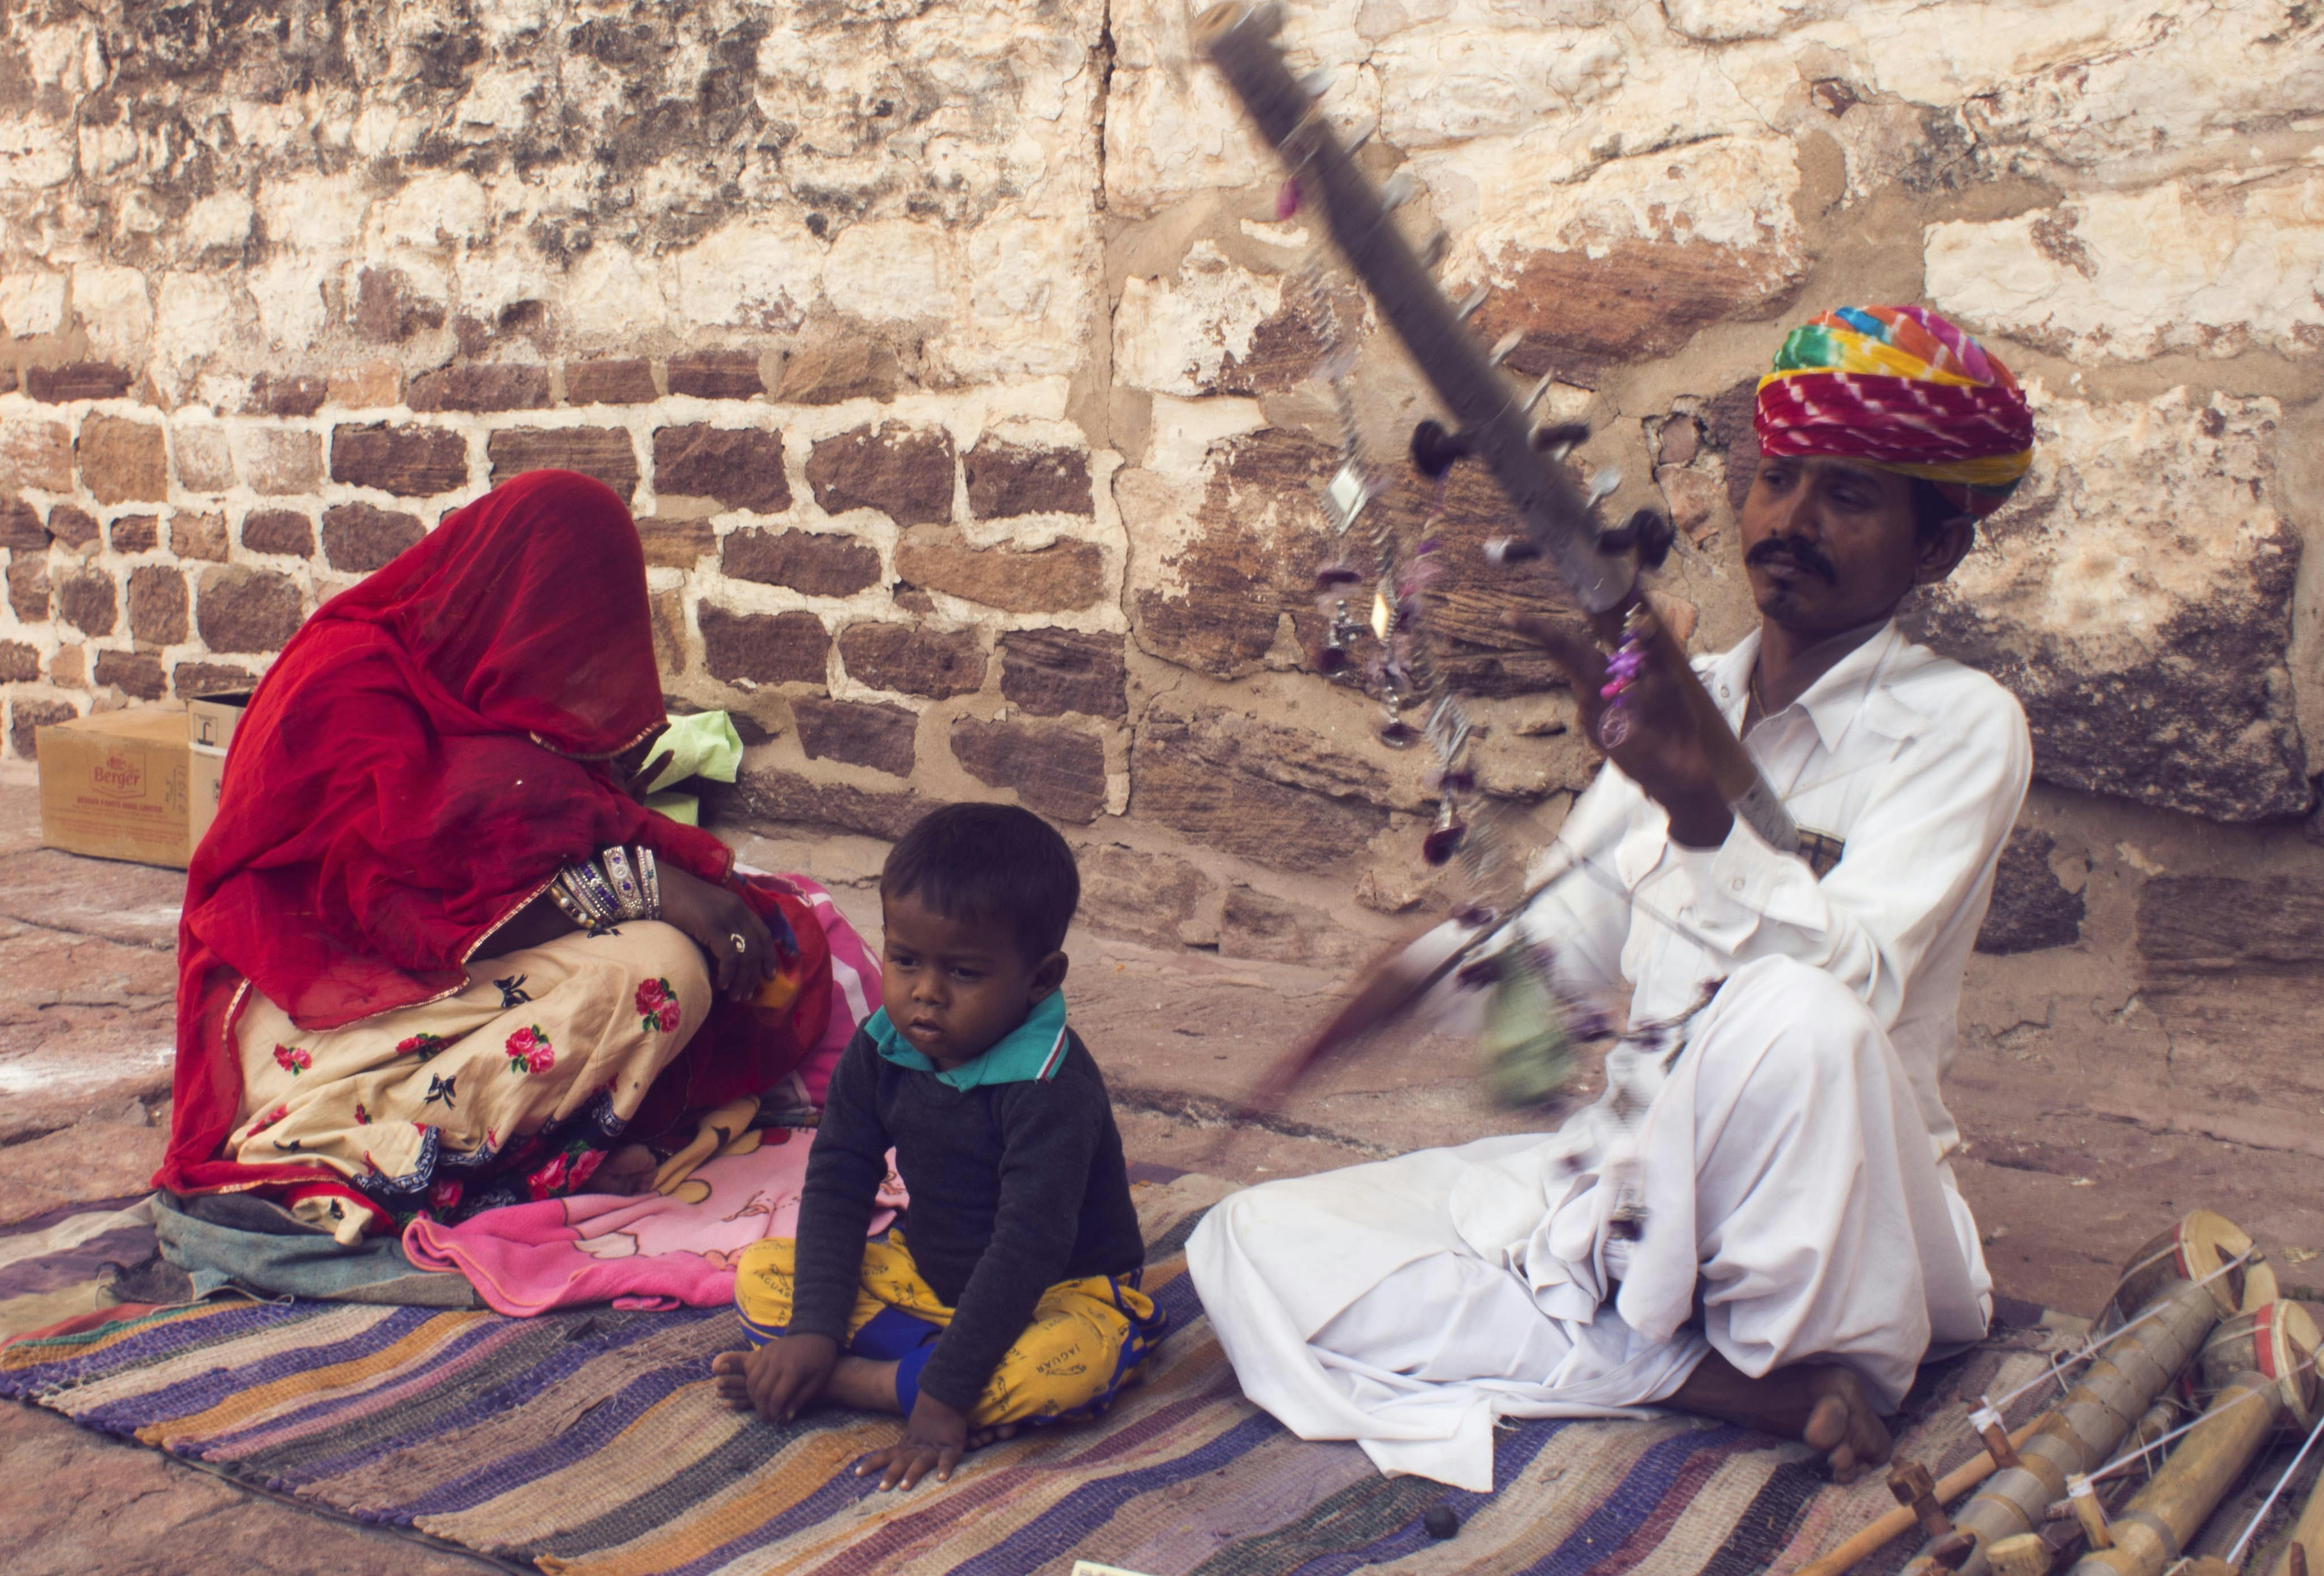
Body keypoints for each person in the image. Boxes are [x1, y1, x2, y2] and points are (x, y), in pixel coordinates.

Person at [1187, 306, 2039, 1492]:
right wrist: (1413, 989)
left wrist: (1699, 814)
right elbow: (1563, 957)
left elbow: (1855, 985)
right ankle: (1720, 1383)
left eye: (1849, 497)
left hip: (1832, 1215)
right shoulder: (1683, 695)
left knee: (1792, 1010)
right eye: (1780, 479)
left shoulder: (1963, 726)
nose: (1791, 519)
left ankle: (1771, 1349)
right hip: (1635, 1186)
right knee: (1248, 1245)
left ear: (1934, 550)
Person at [155, 470, 831, 1244]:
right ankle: (339, 1152)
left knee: (701, 952)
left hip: (426, 988)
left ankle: (518, 1158)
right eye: (568, 624)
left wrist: (640, 848)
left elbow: (529, 831)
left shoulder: (476, 684)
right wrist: (647, 882)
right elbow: (402, 909)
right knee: (661, 974)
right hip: (305, 1021)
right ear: (517, 595)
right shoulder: (345, 683)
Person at [711, 803, 1167, 1491]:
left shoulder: (1052, 1085)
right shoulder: (883, 1049)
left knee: (1069, 1363)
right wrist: (811, 1327)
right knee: (764, 1275)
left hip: (1056, 1290)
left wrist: (942, 1405)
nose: (925, 994)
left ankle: (866, 1382)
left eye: (963, 974)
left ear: (1041, 979)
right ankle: (890, 1362)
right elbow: (838, 1181)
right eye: (905, 960)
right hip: (924, 1275)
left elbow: (1027, 1248)